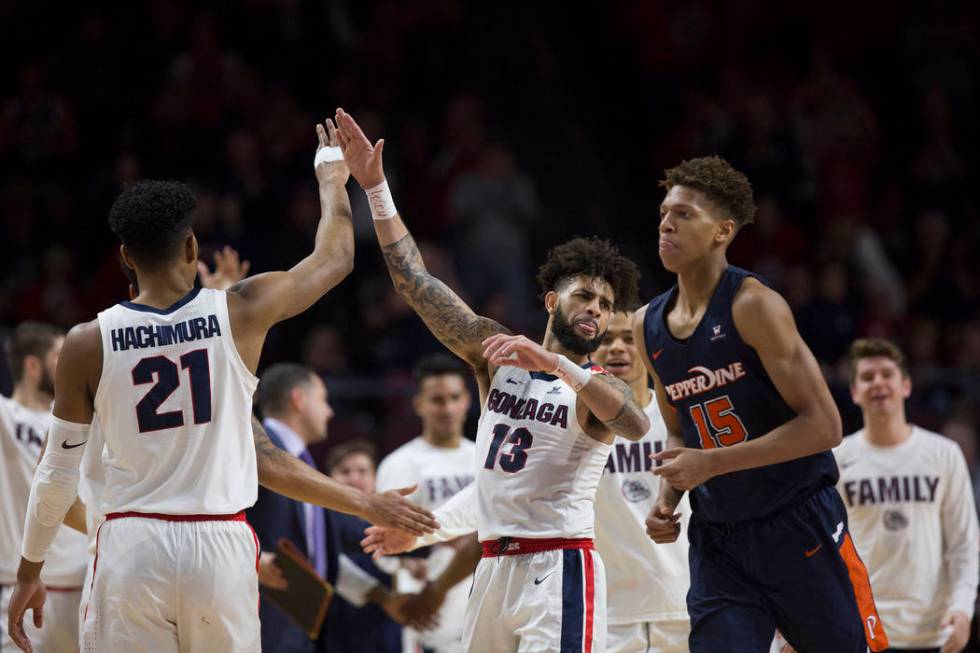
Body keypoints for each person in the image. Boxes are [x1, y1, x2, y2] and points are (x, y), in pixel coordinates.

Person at [6, 119, 434, 653]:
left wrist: (29, 569)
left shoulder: (85, 342)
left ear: (124, 260)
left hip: (131, 546)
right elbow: (335, 259)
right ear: (192, 247)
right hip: (219, 543)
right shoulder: (241, 311)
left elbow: (54, 474)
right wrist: (331, 178)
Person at [334, 108, 650, 652]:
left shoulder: (593, 385)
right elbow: (417, 284)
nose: (595, 311)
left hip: (560, 567)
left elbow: (635, 421)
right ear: (552, 301)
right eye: (583, 296)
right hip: (491, 564)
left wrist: (556, 365)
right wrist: (376, 187)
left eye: (604, 304)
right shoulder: (498, 356)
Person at [637, 156, 887, 652]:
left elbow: (825, 426)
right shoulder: (647, 324)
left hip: (797, 522)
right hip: (720, 539)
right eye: (665, 211)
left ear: (722, 232)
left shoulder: (754, 305)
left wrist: (711, 463)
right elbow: (681, 430)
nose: (666, 223)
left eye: (685, 214)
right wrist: (668, 499)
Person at [249, 363, 412, 653]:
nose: (330, 411)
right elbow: (222, 508)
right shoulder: (256, 448)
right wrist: (253, 556)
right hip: (264, 613)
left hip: (304, 619)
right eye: (323, 400)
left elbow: (337, 526)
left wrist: (416, 530)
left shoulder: (303, 460)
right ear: (299, 400)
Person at [835, 338, 978, 653]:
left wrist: (963, 607)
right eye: (868, 377)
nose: (879, 383)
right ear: (855, 392)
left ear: (907, 386)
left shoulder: (944, 454)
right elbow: (824, 551)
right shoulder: (838, 459)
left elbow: (964, 543)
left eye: (887, 374)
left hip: (934, 630)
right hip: (864, 628)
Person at [592, 311, 692, 652]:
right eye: (605, 340)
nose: (617, 348)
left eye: (629, 339)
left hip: (685, 604)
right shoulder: (574, 426)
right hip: (607, 613)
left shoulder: (682, 419)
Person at [375, 353, 478, 653]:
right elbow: (383, 547)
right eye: (437, 400)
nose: (447, 408)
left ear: (467, 401)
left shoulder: (484, 458)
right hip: (431, 613)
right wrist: (405, 564)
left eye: (454, 397)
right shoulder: (400, 464)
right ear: (419, 404)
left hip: (485, 601)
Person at [0, 323, 89, 652]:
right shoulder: (6, 415)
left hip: (87, 584)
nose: (68, 363)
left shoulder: (78, 416)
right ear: (33, 365)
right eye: (59, 355)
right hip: (19, 584)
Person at [326, 440, 405, 653]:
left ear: (375, 478)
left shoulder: (391, 522)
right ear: (330, 478)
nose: (354, 478)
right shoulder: (322, 517)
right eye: (345, 471)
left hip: (385, 618)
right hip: (337, 614)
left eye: (362, 471)